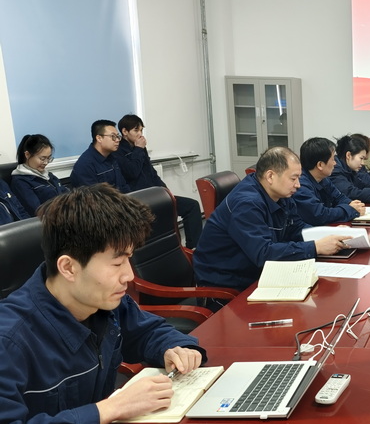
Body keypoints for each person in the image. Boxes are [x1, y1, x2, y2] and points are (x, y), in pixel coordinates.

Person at [0, 184, 206, 424]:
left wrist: (175, 348)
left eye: (129, 259)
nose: (129, 275)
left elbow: (147, 332)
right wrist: (109, 409)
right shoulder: (10, 340)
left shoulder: (102, 302)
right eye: (117, 262)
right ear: (68, 268)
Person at [193, 147, 350, 291]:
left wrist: (326, 235)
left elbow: (296, 227)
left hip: (258, 274)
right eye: (293, 178)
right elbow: (263, 254)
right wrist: (315, 247)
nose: (298, 185)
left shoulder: (280, 194)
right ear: (270, 176)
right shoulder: (247, 203)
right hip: (227, 286)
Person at [115, 114, 203, 248]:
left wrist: (165, 191)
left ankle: (194, 248)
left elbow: (151, 172)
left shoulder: (140, 147)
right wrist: (138, 149)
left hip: (155, 194)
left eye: (141, 130)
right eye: (136, 130)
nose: (140, 134)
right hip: (139, 200)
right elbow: (132, 172)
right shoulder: (118, 151)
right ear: (125, 132)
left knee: (192, 206)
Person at [294, 137, 366, 225]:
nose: (335, 163)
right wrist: (350, 210)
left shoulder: (323, 178)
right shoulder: (301, 185)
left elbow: (339, 197)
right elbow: (320, 215)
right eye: (332, 159)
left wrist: (352, 204)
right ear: (320, 165)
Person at [9, 134, 68, 216]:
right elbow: (37, 210)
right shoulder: (21, 182)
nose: (46, 162)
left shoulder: (48, 176)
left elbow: (66, 194)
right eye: (42, 158)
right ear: (27, 155)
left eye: (49, 158)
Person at [70, 119, 129, 191]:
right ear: (99, 138)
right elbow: (91, 196)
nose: (117, 140)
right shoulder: (85, 165)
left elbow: (123, 186)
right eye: (113, 136)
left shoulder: (112, 157)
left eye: (118, 136)